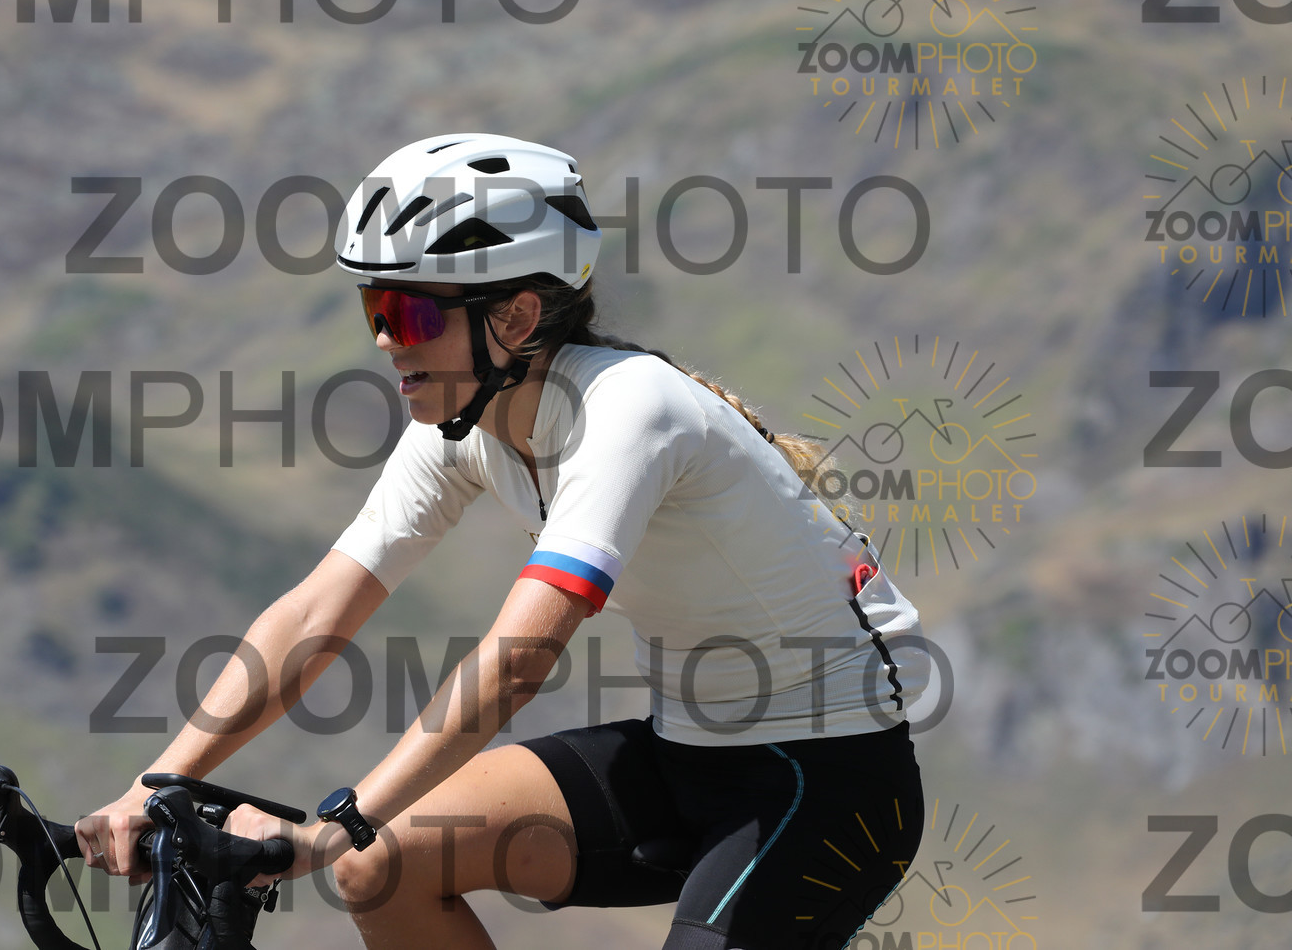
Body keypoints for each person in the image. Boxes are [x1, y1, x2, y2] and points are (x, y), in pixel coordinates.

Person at [78, 133, 928, 949]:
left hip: (832, 775)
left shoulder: (629, 409)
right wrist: (158, 784)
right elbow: (316, 612)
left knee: (356, 845)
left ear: (517, 316)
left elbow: (518, 659)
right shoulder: (462, 421)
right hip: (685, 751)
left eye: (410, 310)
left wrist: (332, 828)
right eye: (374, 308)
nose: (385, 339)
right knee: (382, 867)